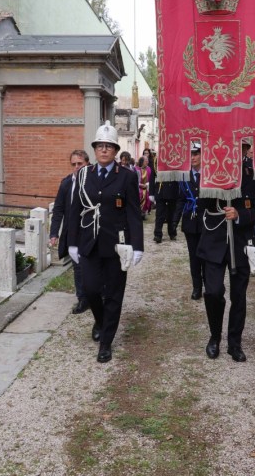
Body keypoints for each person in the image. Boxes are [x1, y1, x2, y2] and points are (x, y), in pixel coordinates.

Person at [67, 121, 144, 363]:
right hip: (89, 242)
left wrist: (137, 245)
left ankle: (106, 342)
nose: (103, 150)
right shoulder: (82, 175)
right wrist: (72, 242)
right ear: (94, 149)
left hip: (116, 245)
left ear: (114, 150)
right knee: (90, 290)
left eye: (108, 146)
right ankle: (100, 321)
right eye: (99, 146)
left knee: (114, 294)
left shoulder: (127, 177)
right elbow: (74, 210)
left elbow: (133, 212)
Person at [197, 157, 255, 362]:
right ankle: (215, 336)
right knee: (213, 291)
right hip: (214, 241)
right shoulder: (210, 170)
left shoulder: (253, 175)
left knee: (239, 296)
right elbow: (201, 204)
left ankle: (234, 343)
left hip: (240, 242)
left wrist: (240, 214)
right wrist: (214, 184)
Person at [49, 149, 90, 314]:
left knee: (93, 266)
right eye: (74, 164)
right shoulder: (66, 183)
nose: (77, 167)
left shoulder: (94, 181)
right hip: (72, 232)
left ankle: (98, 294)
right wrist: (54, 233)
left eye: (80, 163)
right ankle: (82, 299)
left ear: (87, 163)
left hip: (91, 231)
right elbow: (58, 209)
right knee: (77, 267)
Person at [173, 144, 205, 298]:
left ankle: (208, 283)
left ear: (203, 154)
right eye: (190, 154)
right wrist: (174, 221)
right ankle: (197, 287)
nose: (192, 157)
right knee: (194, 256)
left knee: (206, 254)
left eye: (196, 154)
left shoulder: (209, 174)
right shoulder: (185, 175)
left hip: (206, 221)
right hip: (190, 221)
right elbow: (180, 199)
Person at [153, 178, 179, 243]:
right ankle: (158, 234)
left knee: (172, 213)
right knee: (159, 214)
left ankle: (172, 232)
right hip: (160, 190)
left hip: (173, 189)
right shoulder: (156, 166)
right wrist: (151, 192)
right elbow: (152, 177)